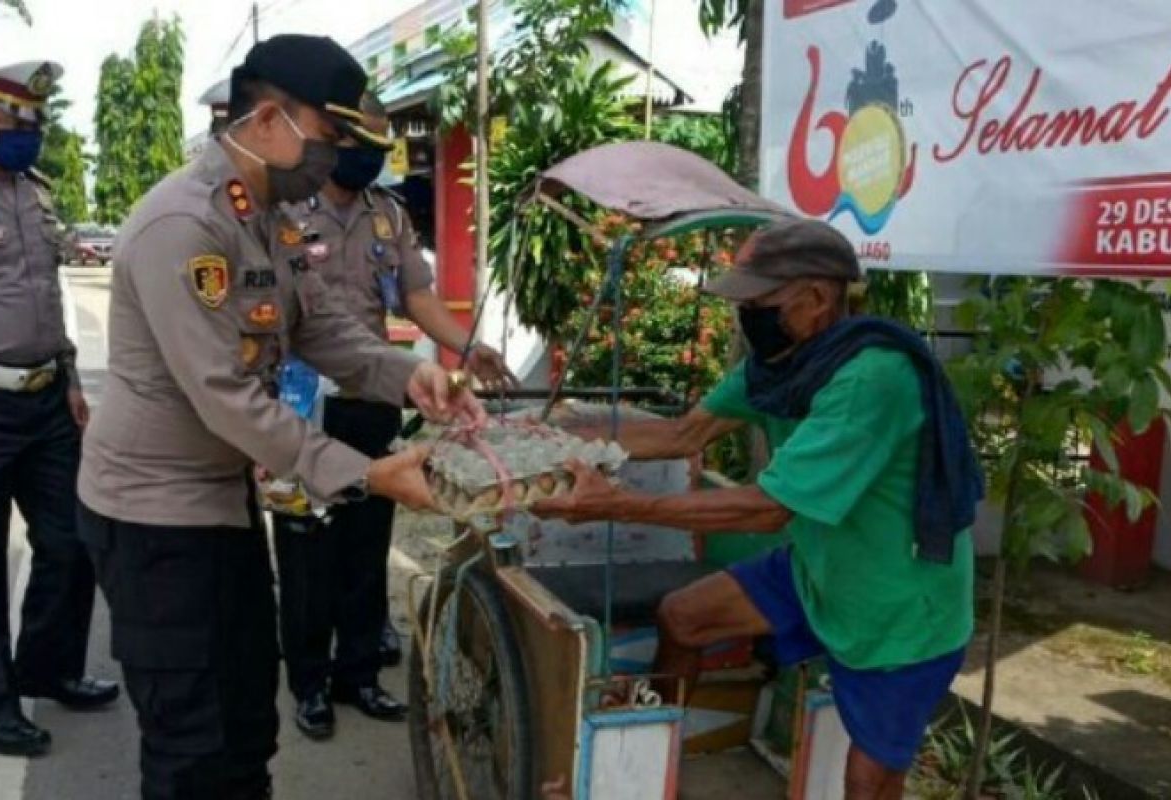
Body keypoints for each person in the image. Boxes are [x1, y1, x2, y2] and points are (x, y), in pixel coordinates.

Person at [76, 35, 483, 800]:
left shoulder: (271, 219)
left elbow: (323, 328)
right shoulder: (184, 226)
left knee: (245, 725)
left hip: (220, 505)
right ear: (268, 121)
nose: (334, 161)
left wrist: (414, 375)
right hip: (153, 519)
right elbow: (224, 394)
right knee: (191, 746)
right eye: (329, 140)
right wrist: (361, 473)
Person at [534, 218, 982, 800]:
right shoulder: (780, 366)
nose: (744, 314)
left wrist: (617, 505)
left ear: (817, 298)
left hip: (897, 605)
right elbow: (681, 436)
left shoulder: (870, 380)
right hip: (820, 569)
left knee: (867, 782)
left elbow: (767, 510)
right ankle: (644, 763)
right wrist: (548, 439)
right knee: (683, 616)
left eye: (757, 300)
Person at [271, 90, 515, 740]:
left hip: (371, 401)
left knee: (364, 546)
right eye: (363, 145)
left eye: (383, 148)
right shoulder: (286, 209)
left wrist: (466, 345)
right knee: (306, 551)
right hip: (304, 405)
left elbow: (417, 297)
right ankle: (309, 682)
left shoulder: (387, 216)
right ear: (333, 139)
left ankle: (357, 674)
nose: (373, 159)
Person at [0, 60, 118, 759]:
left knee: (71, 539)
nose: (26, 134)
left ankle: (47, 665)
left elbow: (45, 291)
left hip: (46, 398)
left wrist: (69, 374)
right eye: (11, 121)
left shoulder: (36, 193)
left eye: (34, 122)